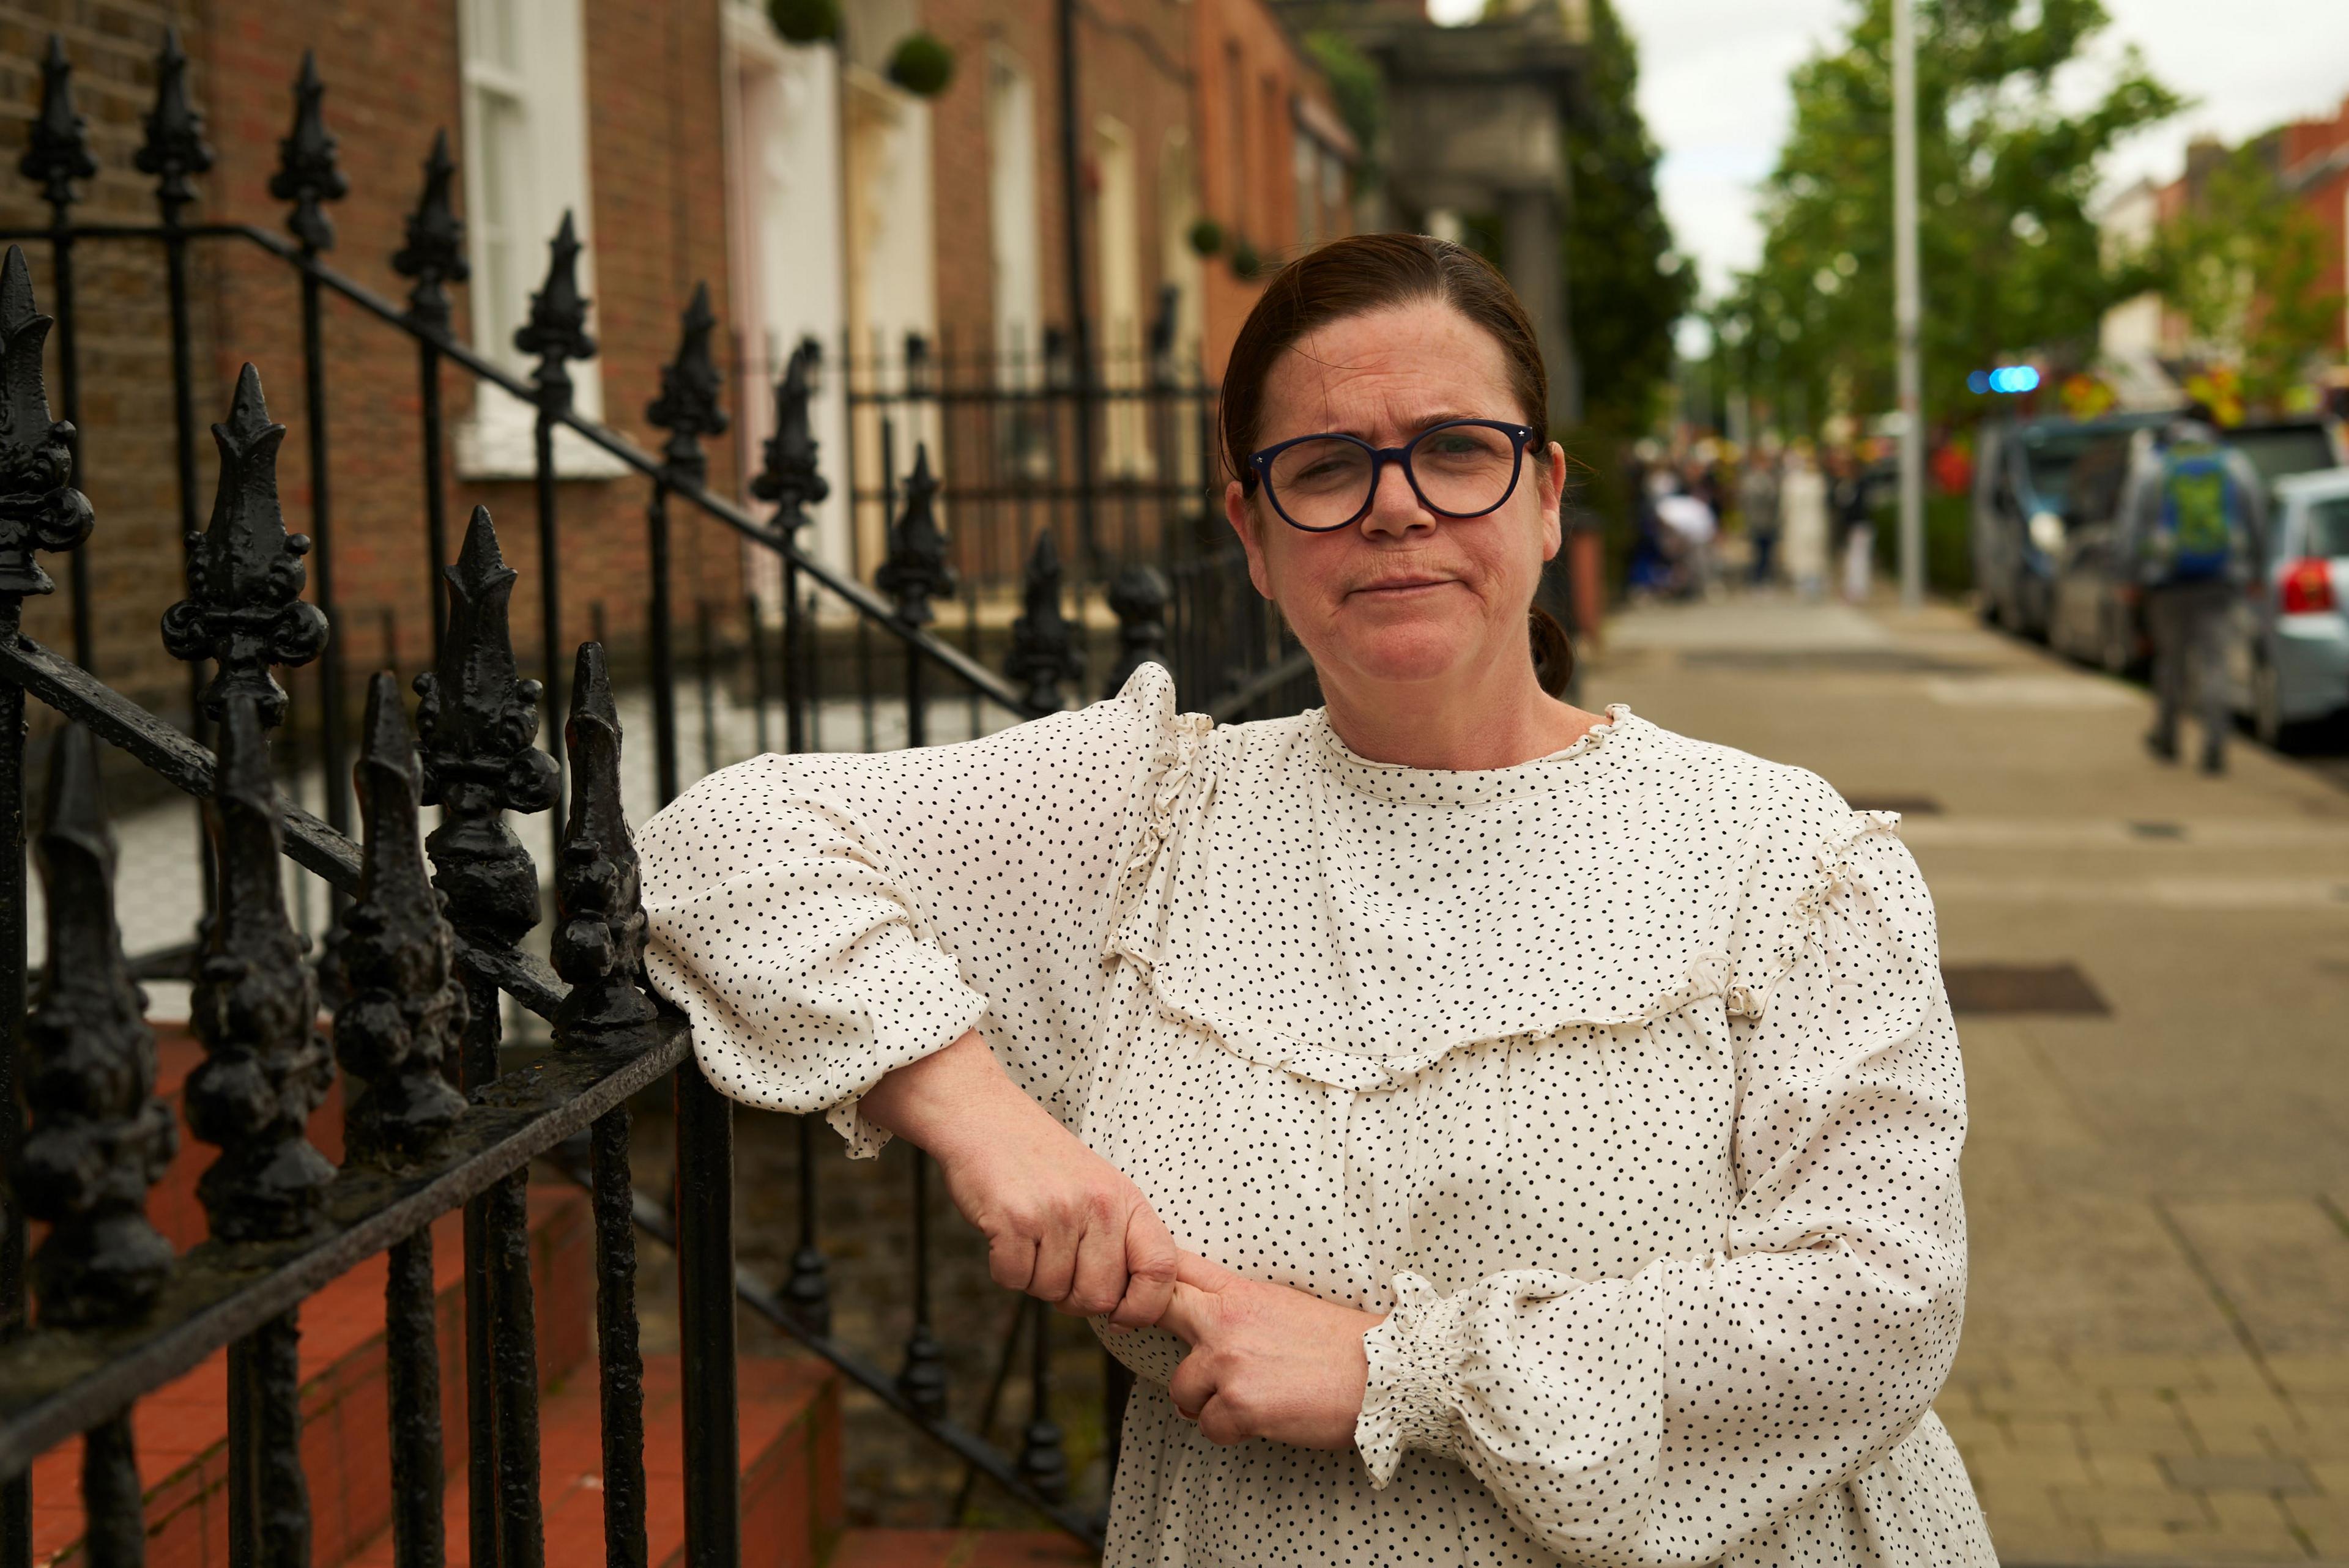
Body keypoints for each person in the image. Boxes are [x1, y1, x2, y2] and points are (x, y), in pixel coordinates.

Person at [636, 233, 1994, 1568]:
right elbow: (719, 845)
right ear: (1253, 533)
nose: (1397, 505)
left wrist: (1390, 1372)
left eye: (1458, 451)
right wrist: (981, 1115)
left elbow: (1878, 1304)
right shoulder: (1148, 814)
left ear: (1546, 496)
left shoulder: (1780, 852)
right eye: (1328, 467)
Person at [2116, 404, 2265, 774]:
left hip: (2167, 581)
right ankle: (2215, 746)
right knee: (2216, 664)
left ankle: (2168, 736)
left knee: (2171, 661)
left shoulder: (2154, 466)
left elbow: (2131, 525)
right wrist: (2258, 571)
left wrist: (2129, 576)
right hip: (2221, 579)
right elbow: (2257, 520)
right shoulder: (2234, 465)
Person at [1780, 440, 1831, 599]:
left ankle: (1814, 583)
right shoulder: (1792, 482)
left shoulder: (1818, 480)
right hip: (1798, 525)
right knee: (1800, 555)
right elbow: (1786, 507)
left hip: (1814, 523)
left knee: (1815, 554)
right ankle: (1802, 583)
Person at [1831, 446, 1877, 602]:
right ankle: (1852, 588)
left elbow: (1860, 507)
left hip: (1859, 526)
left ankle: (1858, 590)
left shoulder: (1860, 485)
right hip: (1850, 527)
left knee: (1858, 559)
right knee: (1851, 559)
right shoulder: (1844, 484)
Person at [1742, 442, 1784, 585]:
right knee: (1758, 553)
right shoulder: (1751, 480)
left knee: (1768, 552)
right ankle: (1757, 578)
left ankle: (1767, 577)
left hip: (1769, 522)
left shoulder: (1773, 478)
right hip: (1756, 522)